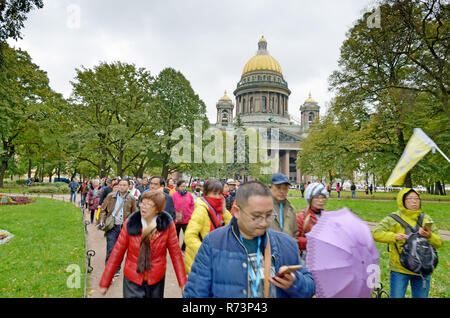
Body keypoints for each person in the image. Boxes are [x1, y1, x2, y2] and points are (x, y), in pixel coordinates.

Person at [183, 180, 316, 298]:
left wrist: (294, 282)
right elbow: (194, 294)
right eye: (256, 216)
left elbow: (310, 287)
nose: (264, 222)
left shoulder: (286, 244)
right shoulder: (213, 243)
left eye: (269, 215)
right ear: (236, 211)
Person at [98, 190, 186, 298]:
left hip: (156, 280)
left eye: (148, 205)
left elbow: (176, 254)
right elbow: (117, 252)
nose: (143, 207)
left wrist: (183, 282)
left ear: (158, 209)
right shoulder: (131, 222)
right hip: (132, 278)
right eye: (142, 203)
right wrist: (105, 282)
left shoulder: (167, 224)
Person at [372, 188, 442, 298]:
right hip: (399, 269)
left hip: (422, 269)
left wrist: (430, 236)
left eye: (417, 198)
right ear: (402, 201)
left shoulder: (426, 219)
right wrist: (394, 236)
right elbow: (375, 233)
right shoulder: (393, 219)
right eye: (410, 198)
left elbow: (439, 243)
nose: (414, 201)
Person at [184, 179, 232, 275]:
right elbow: (189, 236)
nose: (218, 197)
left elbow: (232, 229)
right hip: (200, 262)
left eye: (219, 194)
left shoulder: (219, 209)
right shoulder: (201, 210)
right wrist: (206, 251)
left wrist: (224, 212)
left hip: (215, 260)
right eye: (214, 194)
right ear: (206, 194)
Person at [99, 179, 137, 276]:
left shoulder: (132, 199)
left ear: (128, 186)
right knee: (111, 249)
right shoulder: (110, 196)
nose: (122, 187)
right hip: (112, 227)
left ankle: (117, 269)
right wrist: (102, 221)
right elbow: (103, 210)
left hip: (124, 228)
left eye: (124, 185)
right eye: (120, 185)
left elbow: (134, 214)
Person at [296, 183, 329, 261]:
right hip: (308, 258)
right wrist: (312, 241)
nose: (320, 201)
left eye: (323, 197)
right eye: (317, 198)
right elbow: (294, 240)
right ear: (310, 199)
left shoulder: (328, 216)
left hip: (326, 257)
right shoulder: (301, 217)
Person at [269, 173, 299, 240]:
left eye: (285, 188)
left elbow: (295, 233)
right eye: (278, 187)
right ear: (270, 187)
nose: (282, 191)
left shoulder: (291, 209)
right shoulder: (264, 207)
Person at [172, 180, 195, 252]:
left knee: (187, 235)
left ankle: (183, 248)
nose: (183, 188)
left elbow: (192, 205)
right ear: (178, 187)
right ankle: (176, 249)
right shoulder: (174, 195)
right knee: (175, 236)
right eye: (182, 186)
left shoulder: (189, 195)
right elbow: (171, 205)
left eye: (184, 186)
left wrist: (190, 213)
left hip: (187, 218)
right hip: (177, 219)